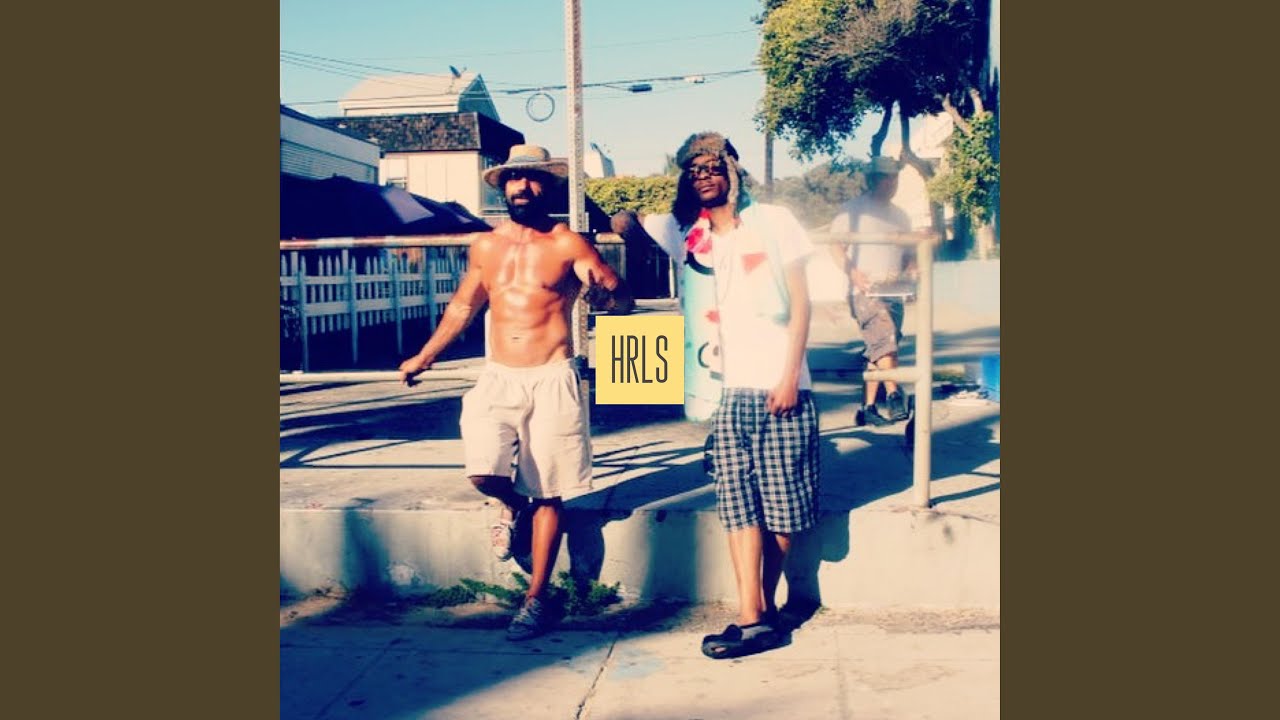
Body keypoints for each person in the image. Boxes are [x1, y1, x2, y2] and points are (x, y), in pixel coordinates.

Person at [398, 144, 634, 641]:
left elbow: (619, 298)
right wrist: (425, 356)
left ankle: (535, 599)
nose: (522, 187)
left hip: (552, 377)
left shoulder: (568, 243)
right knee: (483, 472)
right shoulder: (486, 246)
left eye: (533, 179)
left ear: (548, 186)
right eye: (514, 179)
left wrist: (607, 294)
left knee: (548, 491)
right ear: (503, 186)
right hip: (499, 377)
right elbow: (463, 307)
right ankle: (513, 505)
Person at [612, 132, 819, 659]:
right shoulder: (691, 234)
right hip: (727, 391)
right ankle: (752, 615)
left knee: (783, 509)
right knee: (737, 503)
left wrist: (789, 376)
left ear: (732, 170)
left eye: (712, 166)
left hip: (780, 385)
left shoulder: (774, 221)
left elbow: (802, 303)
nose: (703, 175)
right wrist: (622, 224)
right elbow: (626, 223)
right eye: (693, 169)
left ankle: (762, 609)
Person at [828, 156, 920, 426]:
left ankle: (867, 408)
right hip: (864, 291)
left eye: (894, 177)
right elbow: (835, 247)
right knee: (885, 338)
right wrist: (854, 274)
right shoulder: (852, 210)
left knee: (881, 346)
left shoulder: (900, 215)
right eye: (884, 177)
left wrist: (912, 269)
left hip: (894, 290)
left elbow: (908, 254)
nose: (891, 182)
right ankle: (894, 394)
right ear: (871, 179)